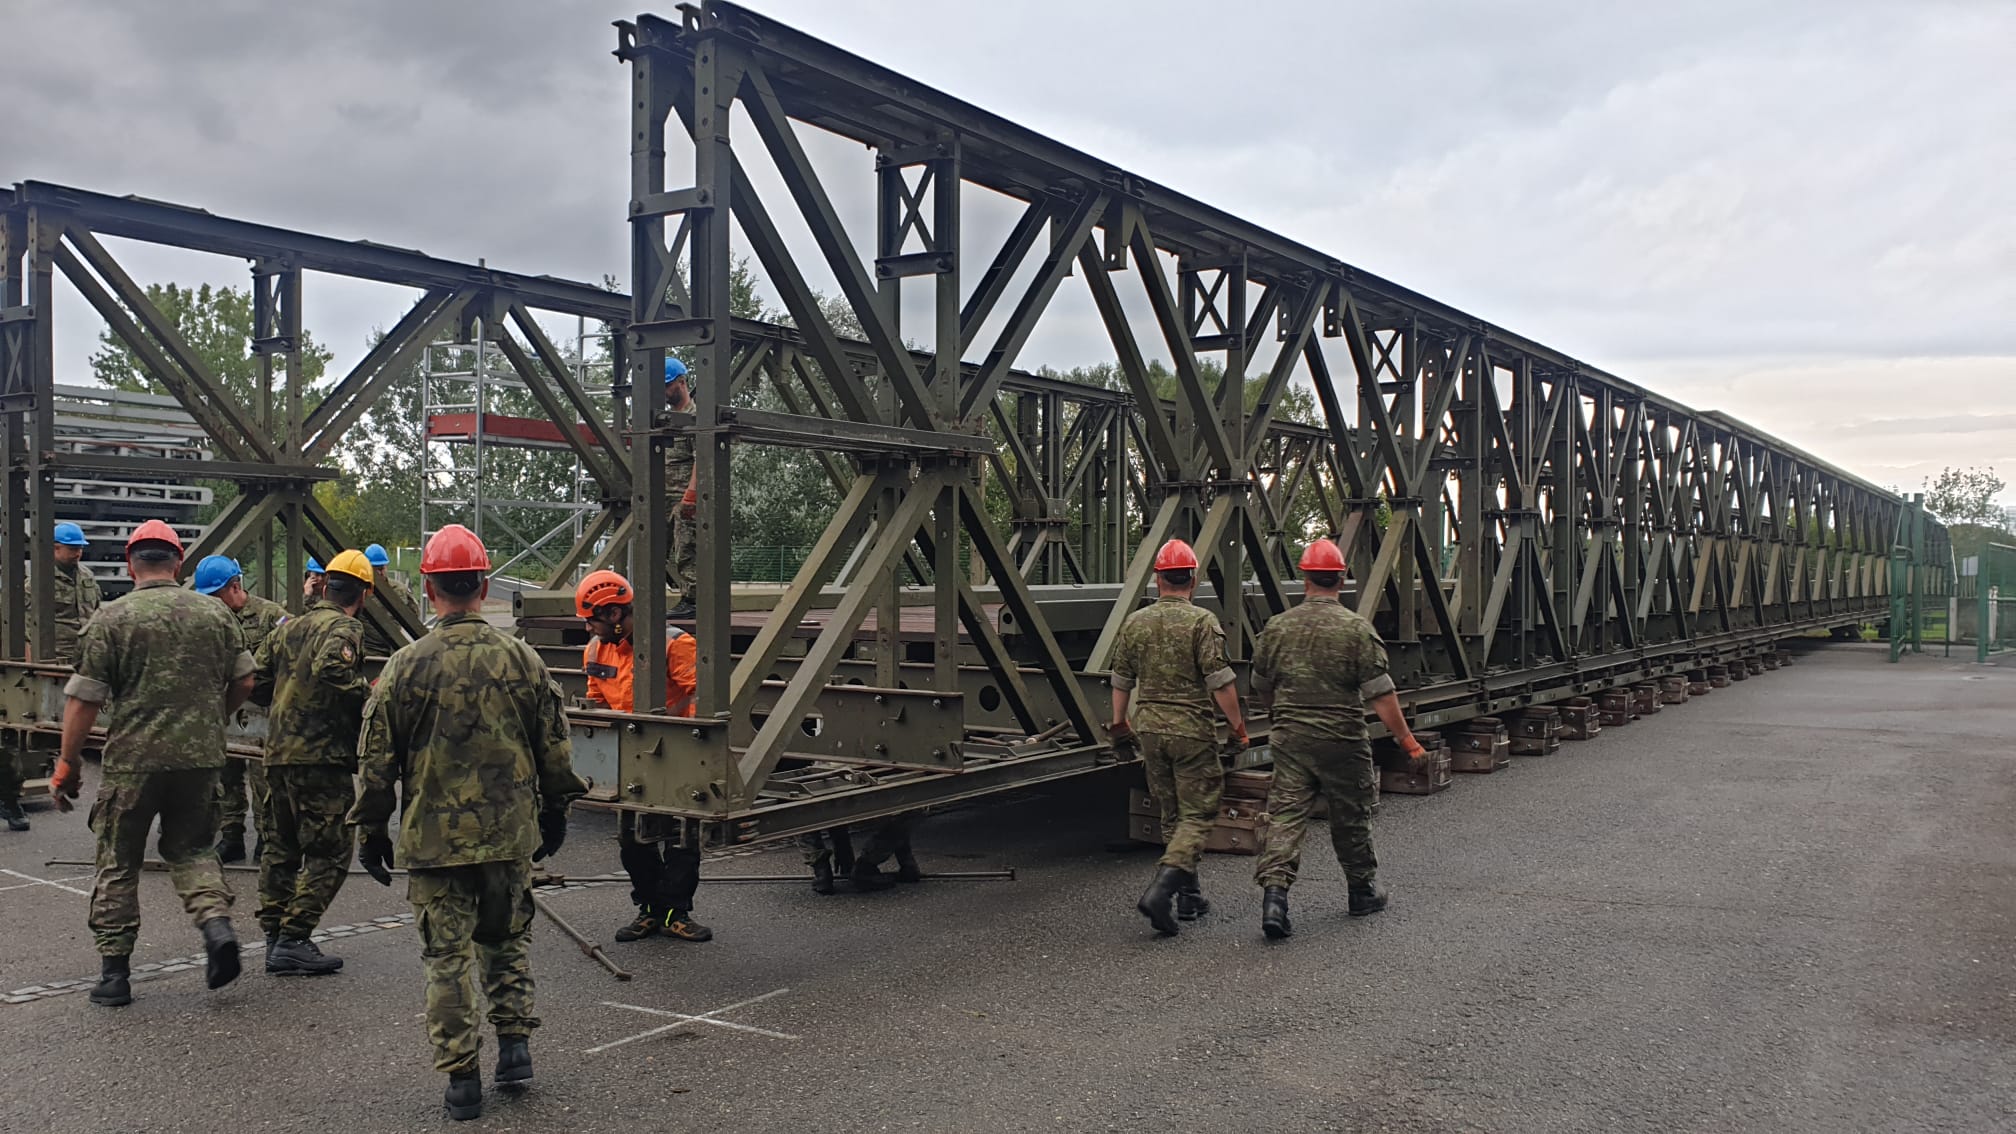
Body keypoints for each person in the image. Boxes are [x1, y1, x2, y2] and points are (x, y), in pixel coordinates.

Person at [351, 524, 587, 1122]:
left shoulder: (404, 667)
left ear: (429, 589)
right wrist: (555, 811)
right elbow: (555, 749)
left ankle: (462, 1082)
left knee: (446, 958)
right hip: (508, 836)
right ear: (483, 585)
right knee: (506, 943)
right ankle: (515, 1051)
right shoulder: (524, 661)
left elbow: (375, 764)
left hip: (434, 841)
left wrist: (371, 831)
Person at [47, 520, 256, 1007]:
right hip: (200, 760)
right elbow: (246, 680)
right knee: (193, 849)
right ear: (179, 563)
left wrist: (67, 764)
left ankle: (115, 975)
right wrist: (210, 719)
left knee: (118, 861)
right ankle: (216, 926)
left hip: (133, 762)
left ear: (129, 564)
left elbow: (83, 701)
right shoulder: (215, 616)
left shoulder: (110, 618)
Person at [1250, 539, 1429, 939]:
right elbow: (1381, 695)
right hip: (1342, 741)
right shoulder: (1356, 629)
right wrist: (1408, 742)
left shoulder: (1277, 628)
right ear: (1342, 578)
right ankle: (1361, 892)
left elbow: (1260, 685)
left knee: (1285, 817)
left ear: (1304, 577)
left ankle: (1275, 899)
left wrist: (1279, 712)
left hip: (1291, 738)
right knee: (1350, 817)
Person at [1108, 538, 1248, 936]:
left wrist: (1120, 724)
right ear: (1194, 578)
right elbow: (1221, 682)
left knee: (1171, 813)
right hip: (1191, 731)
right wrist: (1237, 728)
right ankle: (1163, 891)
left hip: (1150, 727)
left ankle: (1190, 896)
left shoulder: (1136, 622)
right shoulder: (1202, 622)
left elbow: (1121, 680)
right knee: (1199, 813)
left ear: (1157, 579)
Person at [574, 569, 714, 944]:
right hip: (628, 756)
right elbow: (597, 700)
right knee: (632, 837)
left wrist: (678, 735)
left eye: (592, 621)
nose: (589, 630)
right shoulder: (596, 650)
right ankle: (650, 909)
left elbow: (702, 696)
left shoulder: (673, 644)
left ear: (614, 616)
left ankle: (675, 911)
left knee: (683, 836)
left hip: (676, 754)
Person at [251, 549, 372, 975]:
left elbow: (255, 677)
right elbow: (331, 671)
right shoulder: (346, 627)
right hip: (321, 758)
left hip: (279, 753)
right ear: (364, 592)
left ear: (325, 585)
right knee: (333, 850)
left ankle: (273, 937)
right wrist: (370, 695)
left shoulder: (290, 626)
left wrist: (286, 704)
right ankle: (294, 936)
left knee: (281, 848)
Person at [2, 522, 101, 832]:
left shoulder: (87, 579)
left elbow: (96, 615)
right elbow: (19, 626)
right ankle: (10, 798)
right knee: (23, 736)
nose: (78, 552)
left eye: (80, 547)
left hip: (81, 663)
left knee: (92, 731)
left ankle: (104, 803)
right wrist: (31, 664)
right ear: (53, 549)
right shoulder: (35, 584)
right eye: (72, 547)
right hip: (47, 666)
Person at [192, 555, 291, 864]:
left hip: (263, 710)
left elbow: (290, 662)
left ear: (235, 587)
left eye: (215, 595)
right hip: (225, 706)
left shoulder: (273, 617)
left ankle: (267, 839)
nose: (211, 602)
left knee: (265, 780)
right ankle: (232, 836)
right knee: (227, 776)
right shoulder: (207, 618)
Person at [664, 356, 699, 621]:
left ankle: (693, 599)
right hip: (661, 494)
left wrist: (691, 495)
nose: (663, 392)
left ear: (681, 382)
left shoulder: (693, 417)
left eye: (667, 385)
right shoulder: (663, 418)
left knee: (687, 547)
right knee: (655, 547)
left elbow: (702, 458)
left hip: (683, 494)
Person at [359, 543, 404, 658]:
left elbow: (414, 614)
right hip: (369, 651)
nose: (380, 573)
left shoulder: (399, 590)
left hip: (394, 651)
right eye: (375, 570)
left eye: (382, 568)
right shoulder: (359, 590)